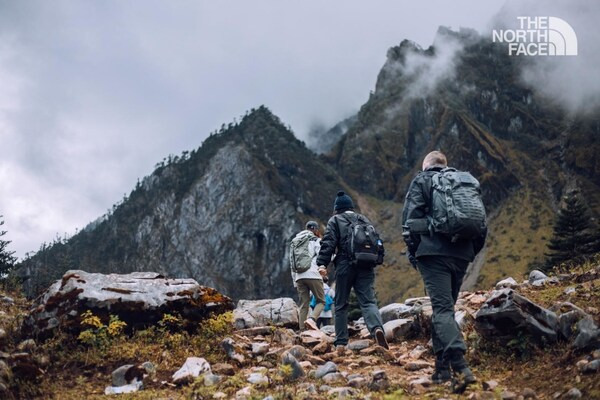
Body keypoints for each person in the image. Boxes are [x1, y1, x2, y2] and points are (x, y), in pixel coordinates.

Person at [402, 151, 486, 389]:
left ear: (426, 165)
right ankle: (441, 371)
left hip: (433, 255)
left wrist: (416, 253)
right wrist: (469, 253)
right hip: (462, 255)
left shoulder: (422, 180)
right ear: (444, 165)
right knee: (446, 310)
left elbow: (409, 223)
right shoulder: (464, 182)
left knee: (441, 310)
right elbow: (481, 225)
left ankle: (460, 366)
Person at [317, 191, 389, 351]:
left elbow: (329, 242)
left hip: (345, 265)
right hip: (366, 265)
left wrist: (322, 264)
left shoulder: (335, 220)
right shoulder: (363, 219)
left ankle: (341, 342)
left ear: (337, 208)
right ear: (351, 207)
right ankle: (377, 329)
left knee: (341, 303)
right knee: (369, 301)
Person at [290, 220, 326, 331]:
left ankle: (302, 331)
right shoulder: (316, 240)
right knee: (321, 301)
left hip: (299, 276)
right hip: (313, 274)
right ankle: (312, 319)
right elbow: (322, 256)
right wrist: (322, 268)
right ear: (315, 229)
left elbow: (292, 262)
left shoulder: (294, 241)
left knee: (303, 304)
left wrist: (295, 279)